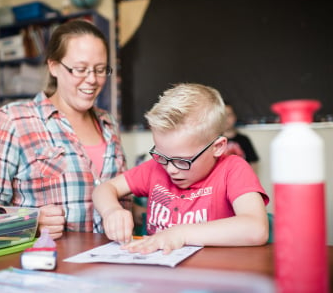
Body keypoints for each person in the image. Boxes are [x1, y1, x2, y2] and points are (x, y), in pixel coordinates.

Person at [0, 19, 130, 239]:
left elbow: (122, 198)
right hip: (47, 265)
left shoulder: (108, 123)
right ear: (53, 66)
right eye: (80, 69)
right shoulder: (12, 120)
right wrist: (29, 222)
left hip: (111, 264)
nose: (92, 80)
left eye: (100, 70)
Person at [93, 83, 269, 254]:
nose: (170, 169)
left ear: (217, 147)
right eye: (162, 156)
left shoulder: (233, 170)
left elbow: (256, 229)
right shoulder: (155, 168)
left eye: (183, 161)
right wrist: (111, 211)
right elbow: (104, 189)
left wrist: (180, 234)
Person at [223, 103, 259, 171]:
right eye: (222, 115)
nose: (226, 119)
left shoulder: (244, 139)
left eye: (229, 115)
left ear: (235, 117)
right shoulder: (215, 140)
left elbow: (253, 162)